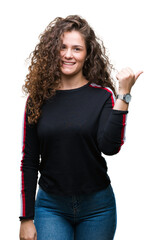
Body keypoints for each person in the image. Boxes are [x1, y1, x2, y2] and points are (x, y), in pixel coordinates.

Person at [19, 15, 143, 240]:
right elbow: (29, 160)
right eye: (62, 47)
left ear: (87, 55)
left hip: (98, 209)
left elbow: (110, 147)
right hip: (50, 208)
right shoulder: (37, 99)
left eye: (77, 49)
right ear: (52, 51)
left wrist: (123, 95)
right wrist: (26, 218)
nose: (68, 54)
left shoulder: (102, 95)